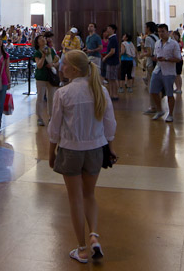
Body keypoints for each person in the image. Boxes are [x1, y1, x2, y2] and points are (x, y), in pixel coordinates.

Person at [48, 49, 117, 264]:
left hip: (70, 150)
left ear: (75, 69)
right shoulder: (100, 91)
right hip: (96, 149)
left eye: (65, 64)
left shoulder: (64, 93)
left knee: (75, 198)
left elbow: (55, 128)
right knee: (89, 195)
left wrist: (51, 153)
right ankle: (94, 235)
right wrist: (110, 147)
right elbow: (110, 123)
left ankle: (81, 248)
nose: (62, 67)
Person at [147, 24, 181, 122]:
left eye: (163, 31)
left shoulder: (174, 44)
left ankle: (170, 114)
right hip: (158, 69)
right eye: (159, 32)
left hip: (169, 71)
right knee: (153, 91)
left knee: (169, 93)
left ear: (167, 32)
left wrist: (166, 59)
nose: (161, 34)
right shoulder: (157, 43)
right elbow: (155, 55)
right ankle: (159, 110)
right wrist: (155, 58)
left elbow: (178, 58)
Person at [34, 34, 59, 126]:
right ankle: (39, 117)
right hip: (41, 77)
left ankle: (51, 116)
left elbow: (57, 61)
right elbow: (39, 65)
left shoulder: (51, 50)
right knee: (40, 97)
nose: (43, 40)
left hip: (50, 77)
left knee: (51, 98)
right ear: (37, 42)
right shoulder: (37, 52)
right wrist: (43, 56)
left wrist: (52, 65)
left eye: (43, 38)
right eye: (40, 39)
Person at [101, 24, 120, 100]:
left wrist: (105, 57)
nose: (107, 29)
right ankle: (112, 94)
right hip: (111, 61)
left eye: (109, 28)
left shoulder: (113, 39)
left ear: (113, 30)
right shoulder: (111, 38)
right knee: (110, 78)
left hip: (112, 61)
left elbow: (112, 51)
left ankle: (114, 94)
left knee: (113, 78)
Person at [172, 30, 184, 94]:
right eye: (173, 35)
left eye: (175, 35)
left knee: (177, 75)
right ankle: (178, 87)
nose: (174, 36)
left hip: (179, 60)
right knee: (176, 75)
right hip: (175, 60)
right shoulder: (174, 43)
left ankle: (179, 88)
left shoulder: (179, 43)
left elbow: (179, 46)